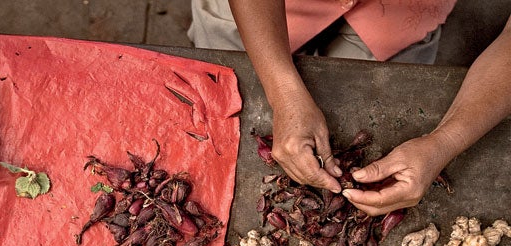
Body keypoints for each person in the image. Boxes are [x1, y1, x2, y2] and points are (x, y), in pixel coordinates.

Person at [189, 1, 511, 215]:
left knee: (375, 87)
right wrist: (284, 92)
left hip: (397, 14)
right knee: (228, 76)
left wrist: (444, 142)